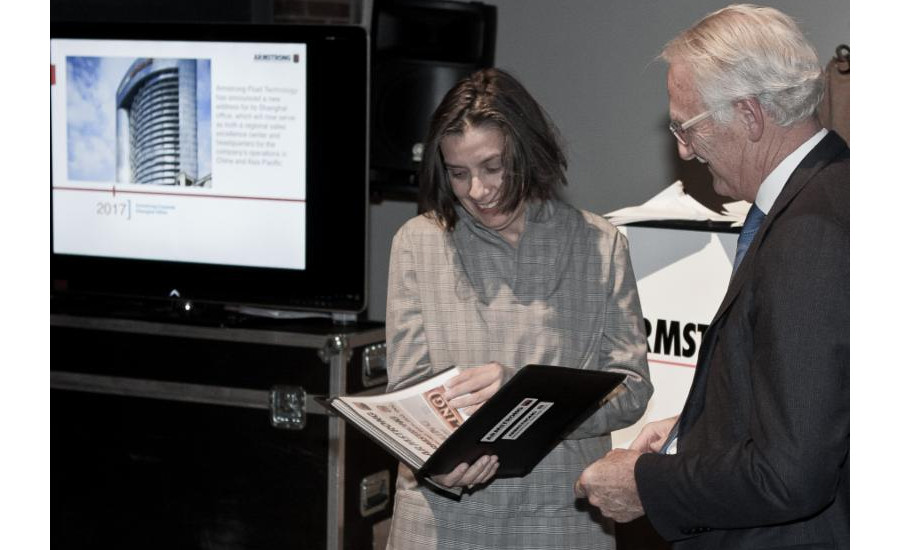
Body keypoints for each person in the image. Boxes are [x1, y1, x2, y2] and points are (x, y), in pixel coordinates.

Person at [575, 5, 849, 549]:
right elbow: (818, 404)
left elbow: (790, 475)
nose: (682, 148)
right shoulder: (829, 196)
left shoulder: (811, 229)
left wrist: (645, 483)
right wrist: (692, 433)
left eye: (686, 125)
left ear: (749, 115)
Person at [384, 67, 653, 550]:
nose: (478, 191)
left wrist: (526, 396)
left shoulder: (598, 245)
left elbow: (631, 390)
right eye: (458, 173)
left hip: (559, 518)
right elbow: (405, 390)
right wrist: (434, 463)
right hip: (440, 522)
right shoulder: (418, 244)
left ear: (528, 152)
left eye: (493, 167)